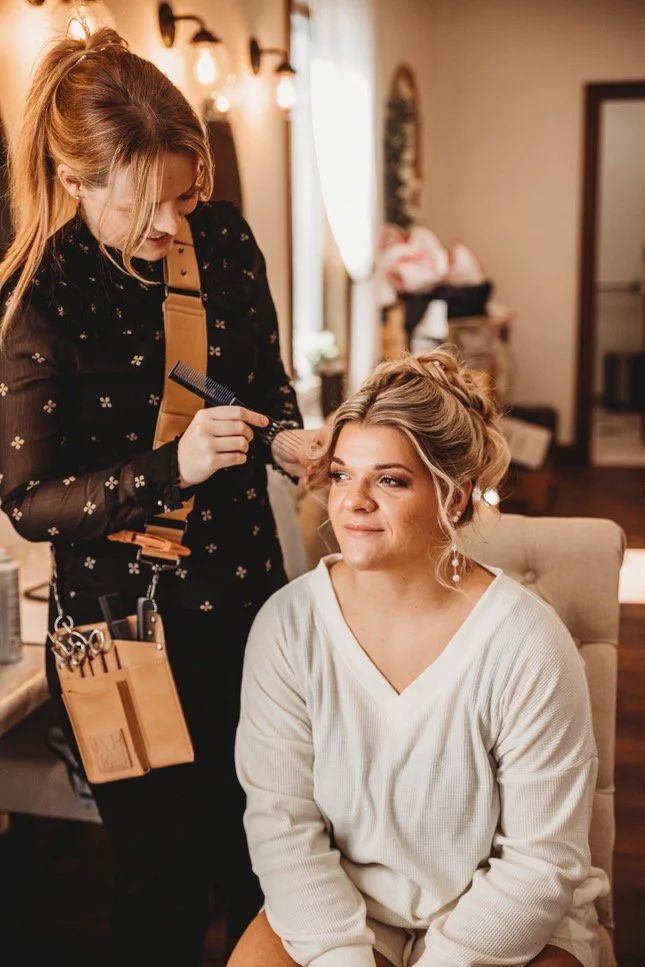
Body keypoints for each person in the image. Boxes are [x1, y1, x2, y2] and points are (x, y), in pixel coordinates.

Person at [0, 27, 318, 966]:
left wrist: (289, 437)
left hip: (247, 610)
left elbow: (264, 382)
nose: (172, 224)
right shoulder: (38, 294)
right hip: (116, 640)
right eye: (147, 204)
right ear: (76, 182)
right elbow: (28, 500)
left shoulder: (221, 237)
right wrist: (168, 469)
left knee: (269, 862)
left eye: (184, 193)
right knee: (161, 886)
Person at [231, 347, 609, 967]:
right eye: (343, 474)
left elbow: (542, 862)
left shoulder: (527, 643)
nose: (353, 502)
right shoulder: (287, 627)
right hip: (346, 908)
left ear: (455, 498)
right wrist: (342, 958)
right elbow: (283, 824)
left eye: (390, 479)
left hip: (511, 923)